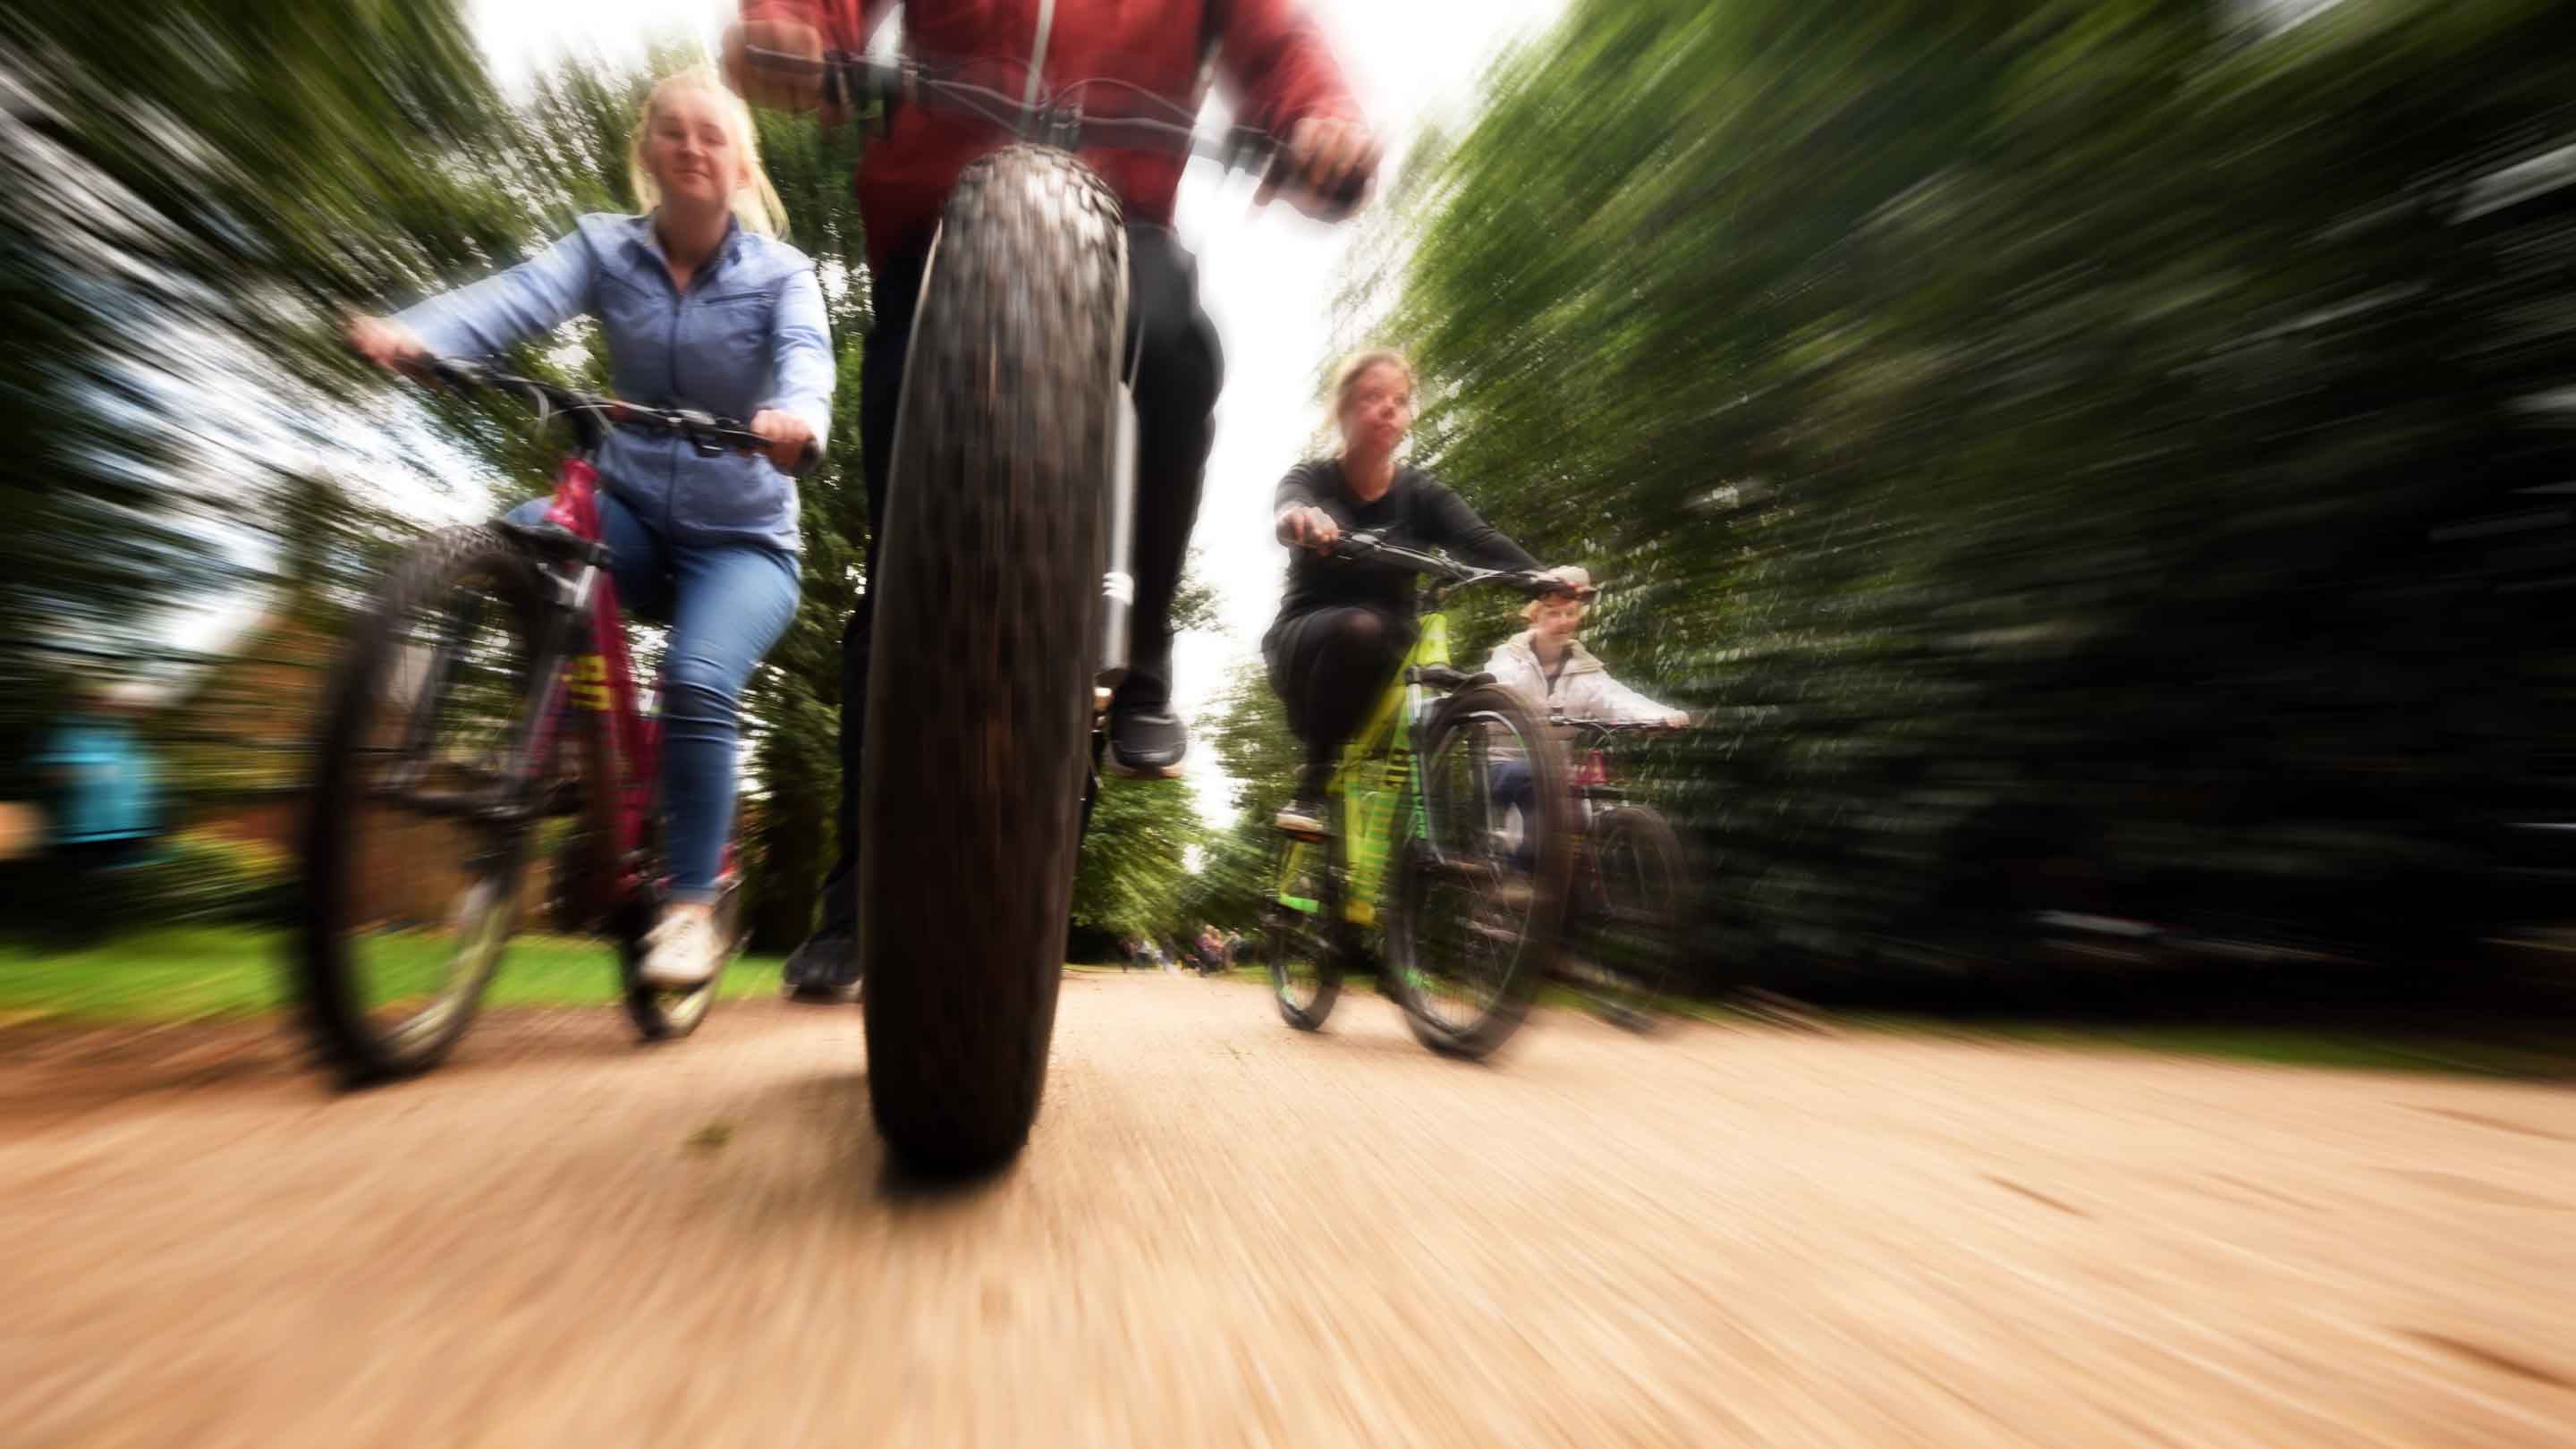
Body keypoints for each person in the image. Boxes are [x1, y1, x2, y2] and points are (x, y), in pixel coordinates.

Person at [726, 0, 1382, 1001]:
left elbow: (1278, 41)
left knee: (1180, 349)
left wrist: (1322, 122)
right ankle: (857, 900)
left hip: (1120, 228)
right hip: (938, 228)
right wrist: (788, 33)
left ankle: (1146, 647)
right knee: (899, 571)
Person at [346, 67, 833, 990]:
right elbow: (513, 299)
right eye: (674, 133)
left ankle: (690, 905)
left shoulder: (781, 274)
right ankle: (552, 752)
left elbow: (807, 359)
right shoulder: (604, 250)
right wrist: (419, 336)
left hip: (744, 543)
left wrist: (796, 420)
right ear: (647, 151)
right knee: (529, 532)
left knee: (695, 679)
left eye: (713, 136)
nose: (693, 148)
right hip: (635, 514)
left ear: (742, 163)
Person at [1266, 349, 1582, 836]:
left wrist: (1542, 577)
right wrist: (1302, 520)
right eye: (1374, 397)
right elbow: (1291, 504)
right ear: (1345, 408)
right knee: (1360, 627)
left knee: (1424, 668)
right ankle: (1315, 778)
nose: (1390, 408)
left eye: (1401, 399)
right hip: (1309, 642)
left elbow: (1479, 541)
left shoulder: (1422, 493)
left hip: (1391, 641)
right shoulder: (1313, 478)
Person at [1481, 571, 1688, 868]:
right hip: (1506, 764)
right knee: (1532, 780)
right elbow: (1492, 690)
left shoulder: (1583, 667)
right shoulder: (1508, 660)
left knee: (1583, 816)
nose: (1563, 621)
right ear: (1535, 616)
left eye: (1571, 613)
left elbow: (1614, 697)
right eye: (1553, 613)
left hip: (1558, 769)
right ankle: (1521, 875)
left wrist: (1659, 716)